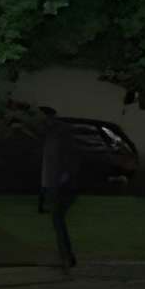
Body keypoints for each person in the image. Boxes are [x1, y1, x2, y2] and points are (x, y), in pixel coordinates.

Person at [38, 108, 80, 274]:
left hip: (60, 185)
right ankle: (66, 256)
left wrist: (64, 178)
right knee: (57, 219)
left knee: (57, 219)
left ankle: (66, 256)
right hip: (54, 184)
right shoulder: (51, 136)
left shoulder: (58, 136)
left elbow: (70, 161)